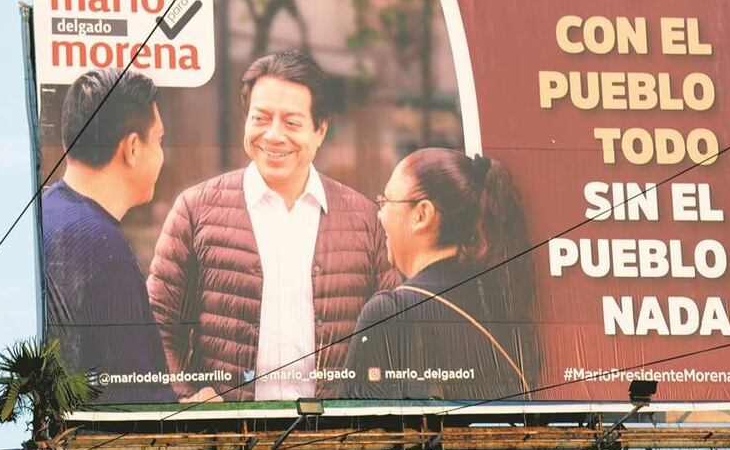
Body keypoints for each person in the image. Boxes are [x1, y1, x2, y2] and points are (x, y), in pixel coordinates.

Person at [147, 50, 399, 402]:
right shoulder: (195, 209)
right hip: (228, 432)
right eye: (260, 118)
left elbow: (392, 334)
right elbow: (156, 322)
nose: (273, 135)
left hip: (336, 432)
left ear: (320, 130)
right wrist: (188, 398)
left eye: (292, 123)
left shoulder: (364, 220)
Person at [342, 148, 540, 401]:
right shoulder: (506, 305)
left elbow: (353, 418)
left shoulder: (389, 313)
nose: (380, 214)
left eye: (386, 201)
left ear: (422, 215)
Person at [42, 68, 174, 403]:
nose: (162, 154)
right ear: (133, 148)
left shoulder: (44, 212)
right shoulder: (103, 249)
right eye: (159, 140)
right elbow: (135, 404)